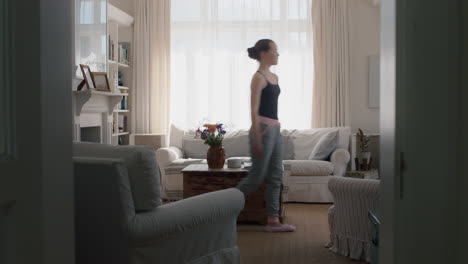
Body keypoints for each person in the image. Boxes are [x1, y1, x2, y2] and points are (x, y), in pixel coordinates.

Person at [236, 39, 296, 232]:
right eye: (275, 51)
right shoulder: (258, 77)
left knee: (276, 175)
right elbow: (253, 110)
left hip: (276, 129)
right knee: (257, 176)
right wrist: (257, 137)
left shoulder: (275, 77)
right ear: (263, 53)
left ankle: (273, 221)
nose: (278, 54)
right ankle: (222, 209)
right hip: (262, 129)